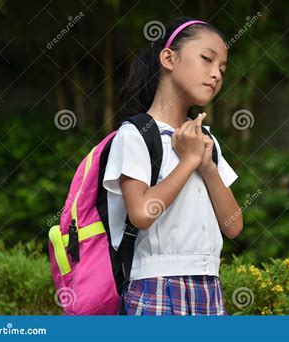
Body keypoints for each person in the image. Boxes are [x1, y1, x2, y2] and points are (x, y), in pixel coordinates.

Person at [103, 16, 243, 315]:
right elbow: (141, 213)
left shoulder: (206, 141)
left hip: (209, 285)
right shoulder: (136, 134)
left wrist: (205, 166)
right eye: (207, 59)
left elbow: (233, 225)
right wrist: (189, 160)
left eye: (222, 68)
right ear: (168, 57)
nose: (216, 74)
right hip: (156, 285)